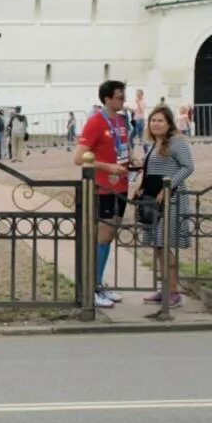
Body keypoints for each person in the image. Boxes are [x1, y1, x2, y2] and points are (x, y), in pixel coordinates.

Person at [74, 80, 135, 308]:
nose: (123, 100)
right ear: (107, 98)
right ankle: (92, 287)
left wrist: (131, 161)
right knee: (102, 236)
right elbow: (79, 157)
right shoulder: (96, 122)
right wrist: (108, 167)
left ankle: (99, 282)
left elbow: (120, 148)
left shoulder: (121, 120)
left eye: (123, 96)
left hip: (121, 184)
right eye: (119, 97)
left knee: (110, 236)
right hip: (103, 186)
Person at [136, 106, 194, 307]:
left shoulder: (177, 142)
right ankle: (165, 288)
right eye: (153, 120)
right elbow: (152, 169)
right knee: (158, 246)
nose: (155, 124)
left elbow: (188, 167)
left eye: (160, 120)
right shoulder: (153, 143)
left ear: (169, 123)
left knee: (165, 244)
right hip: (154, 199)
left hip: (171, 198)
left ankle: (173, 291)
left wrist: (168, 187)